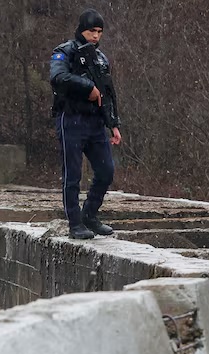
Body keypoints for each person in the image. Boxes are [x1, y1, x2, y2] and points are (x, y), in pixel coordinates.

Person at [49, 9, 122, 240]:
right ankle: (75, 223)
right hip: (70, 118)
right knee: (72, 175)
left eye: (100, 32)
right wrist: (86, 87)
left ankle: (89, 214)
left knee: (106, 170)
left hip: (95, 122)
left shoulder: (101, 59)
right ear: (82, 29)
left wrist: (113, 124)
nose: (96, 36)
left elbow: (108, 93)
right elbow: (58, 78)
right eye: (92, 31)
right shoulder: (65, 51)